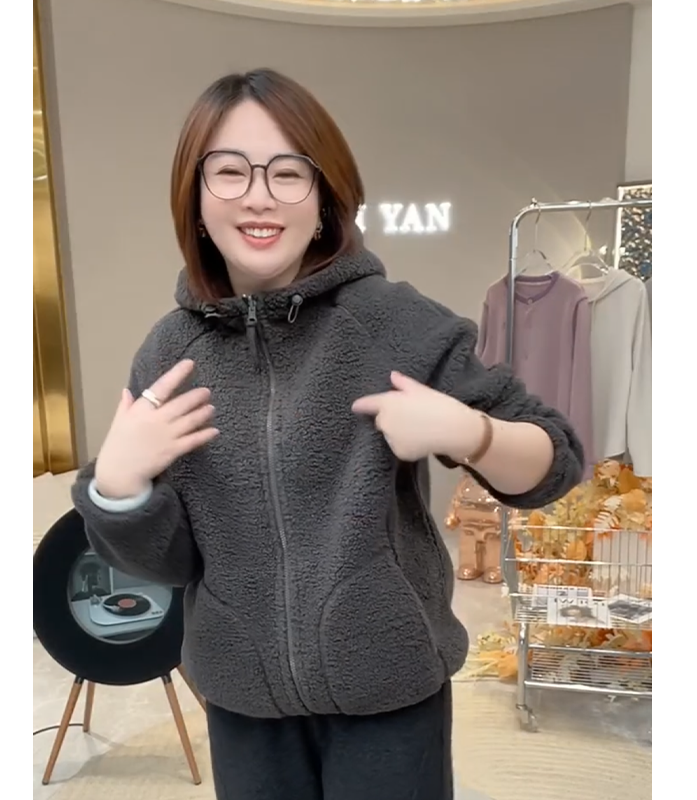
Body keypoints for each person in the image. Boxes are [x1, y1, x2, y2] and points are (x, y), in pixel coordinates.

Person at [71, 68, 583, 800]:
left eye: (288, 173)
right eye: (229, 171)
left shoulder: (392, 322)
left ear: (323, 200)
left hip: (388, 695)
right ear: (196, 197)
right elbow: (173, 563)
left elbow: (554, 459)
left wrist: (470, 432)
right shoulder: (170, 354)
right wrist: (119, 489)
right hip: (243, 702)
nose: (259, 196)